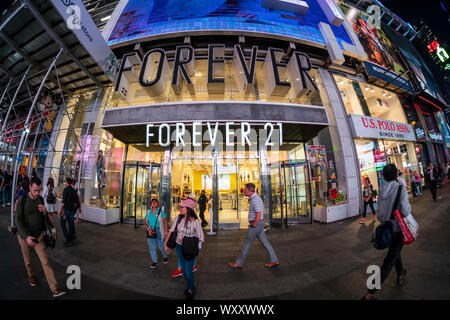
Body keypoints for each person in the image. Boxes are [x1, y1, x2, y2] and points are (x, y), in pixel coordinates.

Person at [362, 164, 409, 300]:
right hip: (398, 229)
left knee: (394, 252)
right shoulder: (400, 188)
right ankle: (371, 292)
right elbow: (406, 211)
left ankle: (401, 272)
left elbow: (381, 215)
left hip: (387, 230)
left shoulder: (382, 189)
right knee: (389, 260)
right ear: (396, 175)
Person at [15, 176, 66, 298]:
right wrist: (26, 237)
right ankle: (31, 275)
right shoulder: (22, 200)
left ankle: (55, 289)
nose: (37, 193)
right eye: (35, 190)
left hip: (38, 237)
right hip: (24, 237)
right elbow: (19, 221)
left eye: (39, 190)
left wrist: (44, 211)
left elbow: (46, 220)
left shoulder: (41, 200)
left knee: (45, 262)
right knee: (28, 261)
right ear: (30, 188)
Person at [228, 183, 280, 269]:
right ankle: (274, 260)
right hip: (258, 224)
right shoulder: (253, 198)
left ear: (249, 190)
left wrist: (254, 225)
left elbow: (259, 213)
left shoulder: (255, 199)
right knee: (265, 242)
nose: (244, 191)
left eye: (245, 190)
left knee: (247, 243)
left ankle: (239, 263)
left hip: (256, 224)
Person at [164, 198, 205, 300]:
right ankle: (190, 286)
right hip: (178, 247)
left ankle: (191, 289)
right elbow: (171, 230)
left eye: (183, 207)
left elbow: (201, 236)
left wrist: (191, 242)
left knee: (187, 271)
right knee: (184, 269)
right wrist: (165, 244)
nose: (181, 208)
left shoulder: (195, 221)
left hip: (189, 248)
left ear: (189, 209)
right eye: (181, 207)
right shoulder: (178, 217)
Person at [169, 197, 198, 278]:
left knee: (182, 253)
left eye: (183, 205)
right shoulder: (183, 216)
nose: (181, 207)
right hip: (187, 240)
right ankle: (193, 265)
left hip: (187, 240)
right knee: (187, 252)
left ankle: (180, 269)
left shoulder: (193, 218)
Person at [145, 198, 169, 268]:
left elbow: (165, 223)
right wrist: (148, 229)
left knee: (161, 246)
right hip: (151, 231)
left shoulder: (161, 212)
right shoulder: (148, 212)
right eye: (152, 202)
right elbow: (145, 222)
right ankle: (155, 261)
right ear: (150, 204)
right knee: (152, 247)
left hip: (159, 231)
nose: (154, 203)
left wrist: (166, 233)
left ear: (158, 204)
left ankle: (165, 256)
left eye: (155, 202)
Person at [58, 178, 81, 246]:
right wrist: (76, 209)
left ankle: (68, 239)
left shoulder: (66, 190)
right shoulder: (74, 191)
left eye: (65, 182)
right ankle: (71, 238)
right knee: (71, 224)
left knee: (62, 224)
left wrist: (59, 210)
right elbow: (78, 202)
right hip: (72, 211)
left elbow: (63, 201)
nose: (65, 183)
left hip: (66, 211)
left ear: (67, 183)